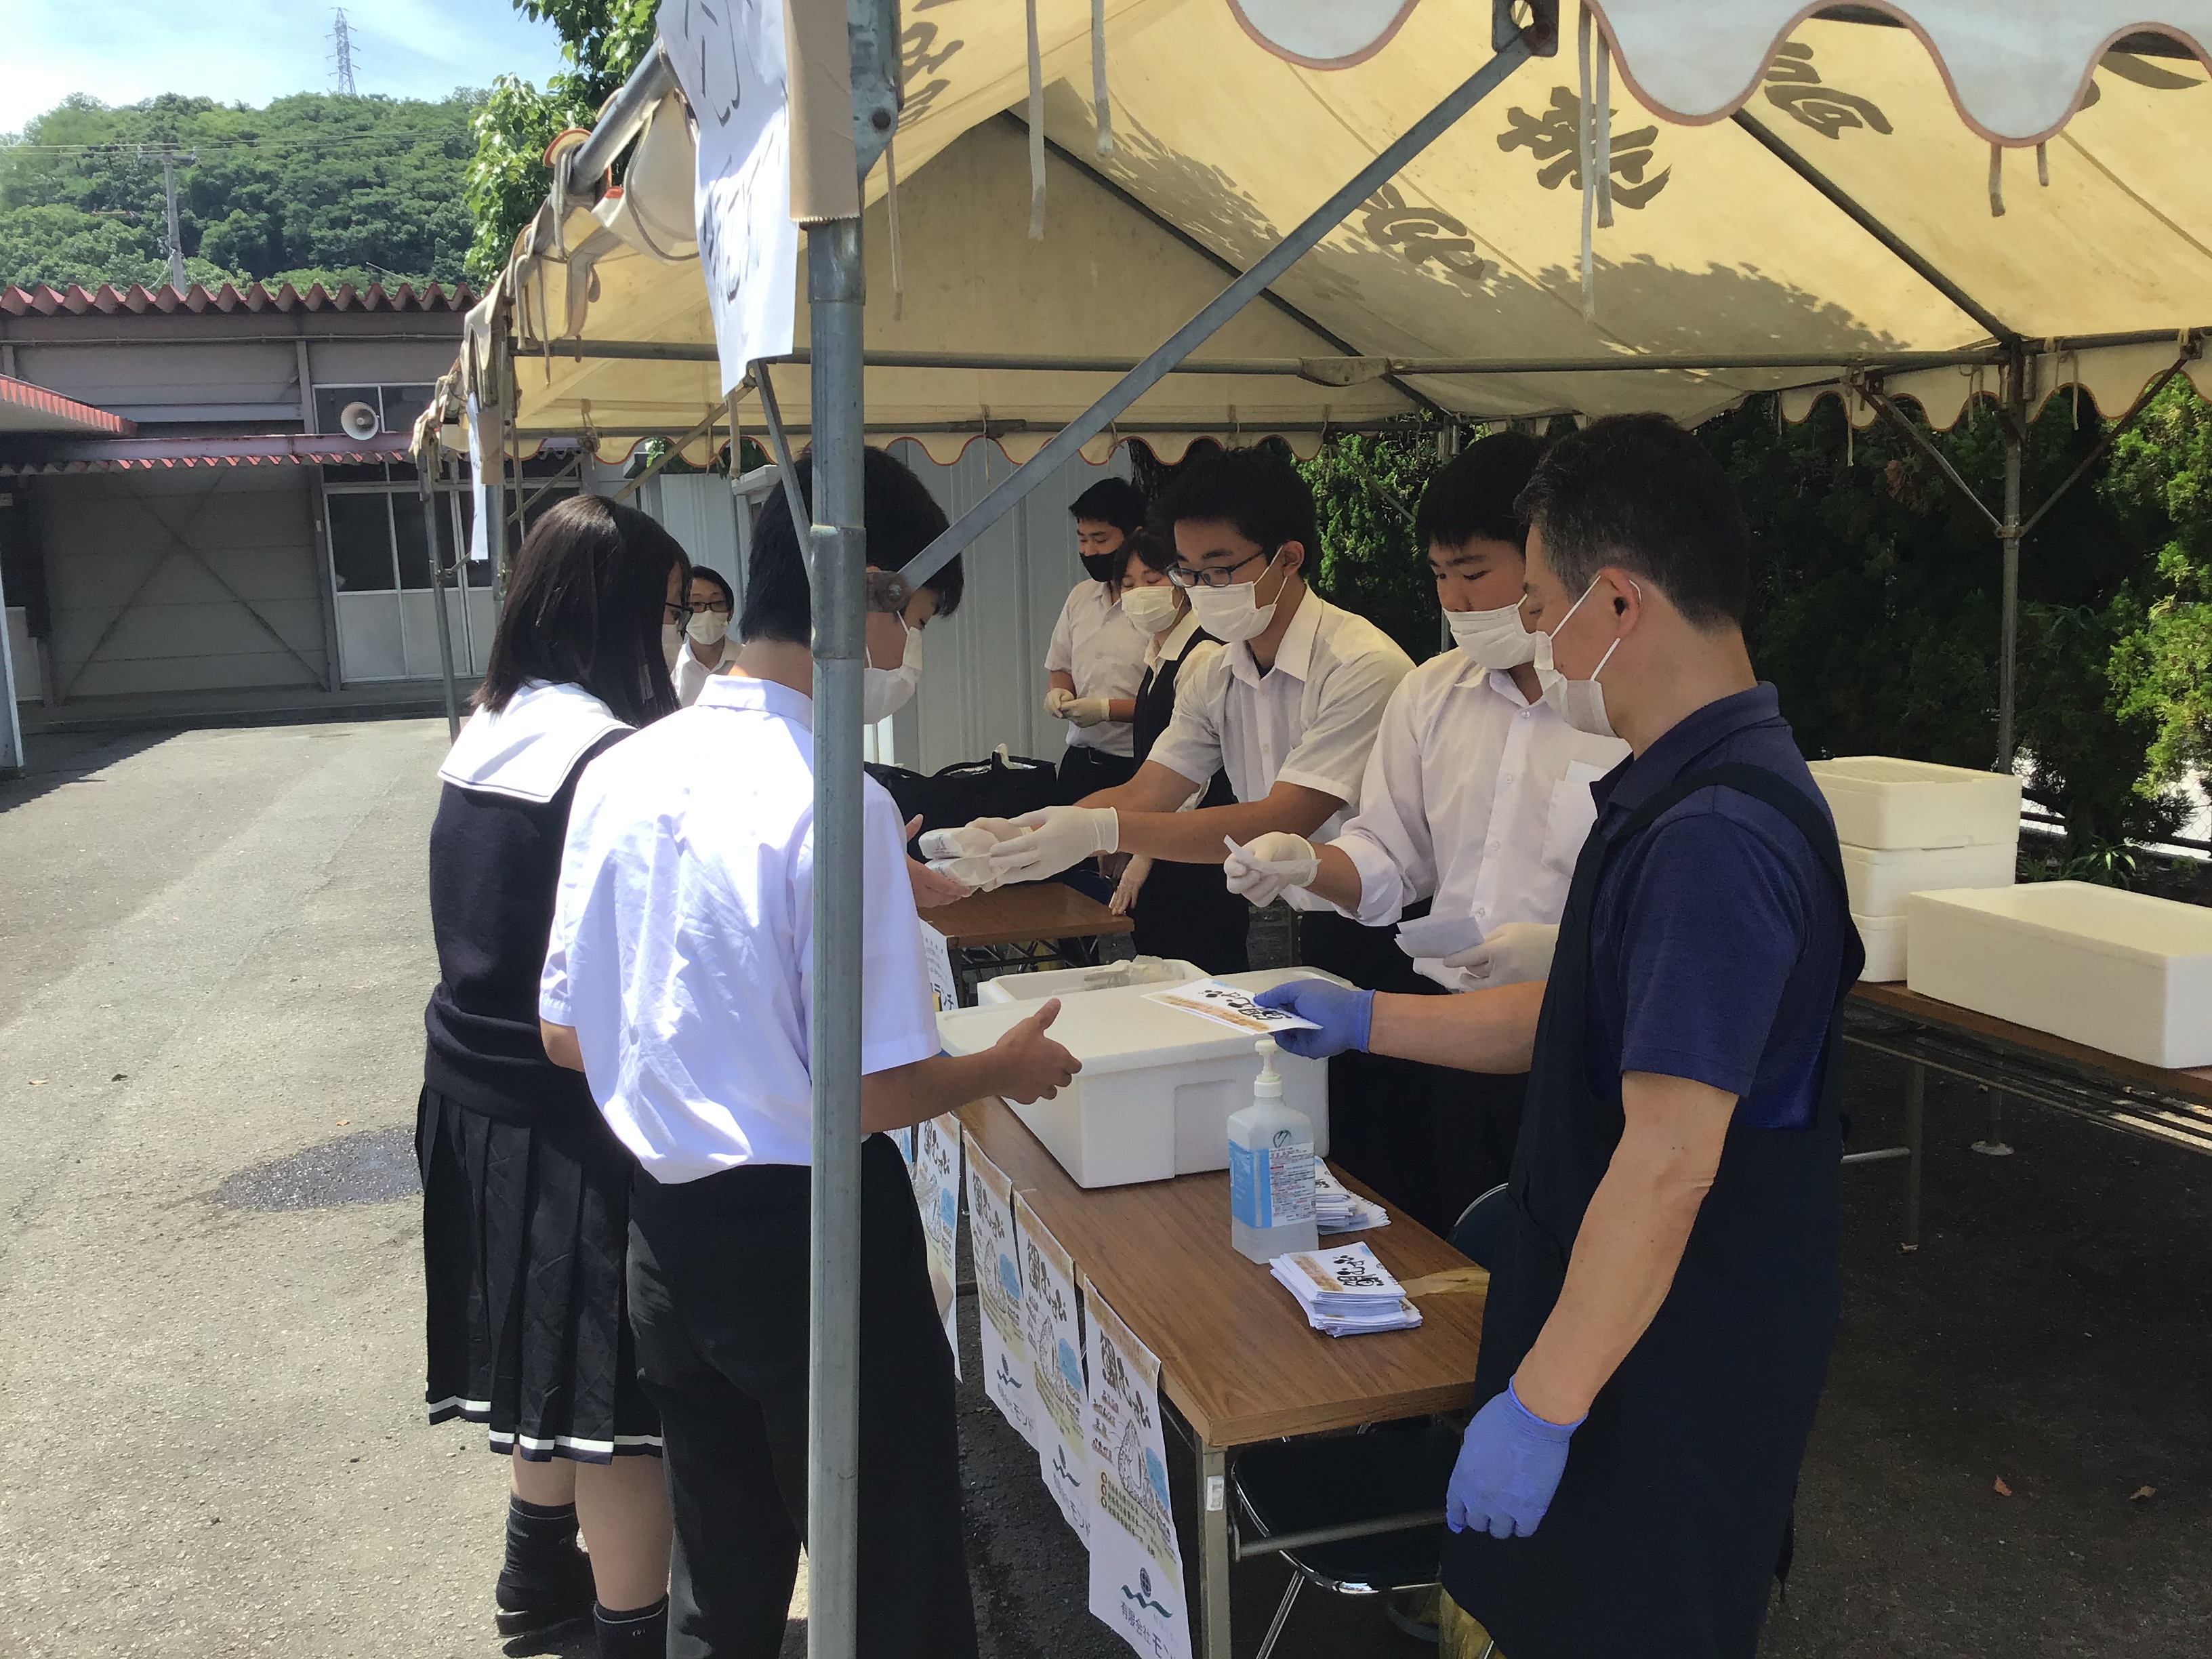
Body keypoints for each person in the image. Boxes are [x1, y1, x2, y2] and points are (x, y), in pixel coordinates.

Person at [1258, 415, 1862, 1659]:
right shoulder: (1672, 784)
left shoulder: (1712, 837)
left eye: (1537, 605)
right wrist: (1370, 1018)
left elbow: (1669, 1159)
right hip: (1612, 1327)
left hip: (1663, 1363)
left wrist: (1543, 1402)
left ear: (1619, 602)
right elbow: (1586, 1021)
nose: (1531, 636)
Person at [539, 445, 1080, 1659]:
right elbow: (867, 1093)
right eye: (914, 619)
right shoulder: (840, 798)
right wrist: (1000, 1068)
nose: (906, 653)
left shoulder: (626, 765)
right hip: (813, 1234)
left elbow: (566, 1031)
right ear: (870, 596)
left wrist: (706, 1045)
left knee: (720, 1572)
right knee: (889, 1572)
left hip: (665, 1230)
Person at [1221, 434, 1626, 1231]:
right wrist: (1305, 862)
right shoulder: (1430, 694)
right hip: (1453, 1031)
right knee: (1461, 1242)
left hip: (1585, 1035)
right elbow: (1390, 858)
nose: (1456, 601)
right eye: (1440, 576)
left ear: (1547, 560)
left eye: (1475, 574)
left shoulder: (1615, 703)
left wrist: (1567, 950)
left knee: (1580, 1245)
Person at [417, 494, 686, 1656]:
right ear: (611, 612)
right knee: (621, 1413)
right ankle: (629, 1631)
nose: (678, 633)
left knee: (547, 1369)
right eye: (667, 610)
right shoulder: (605, 753)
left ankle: (534, 1587)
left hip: (473, 1100)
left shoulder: (493, 722)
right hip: (569, 1118)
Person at [972, 447, 1413, 956]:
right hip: (1318, 915)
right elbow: (1148, 790)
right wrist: (1017, 834)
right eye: (1187, 572)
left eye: (1219, 570)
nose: (1202, 590)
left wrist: (1101, 830)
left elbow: (1280, 818)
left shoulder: (1359, 665)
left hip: (1403, 919)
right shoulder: (1218, 672)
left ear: (1288, 558)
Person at [1101, 527, 1250, 973]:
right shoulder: (1157, 656)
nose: (1139, 594)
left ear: (1182, 582)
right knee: (1158, 970)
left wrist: (1142, 853)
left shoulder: (1202, 655)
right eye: (1128, 585)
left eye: (1151, 580)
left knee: (1202, 974)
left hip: (1196, 857)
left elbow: (1193, 780)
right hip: (1161, 847)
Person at [1043, 476, 1152, 799]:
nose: (1089, 551)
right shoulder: (1080, 596)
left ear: (1134, 536)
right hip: (1082, 762)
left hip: (1141, 764)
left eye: (1100, 539)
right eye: (1082, 539)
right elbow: (1061, 665)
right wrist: (1060, 693)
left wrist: (1107, 709)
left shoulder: (1159, 603)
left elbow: (1171, 700)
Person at [672, 565, 737, 706]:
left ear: (730, 613)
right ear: (681, 613)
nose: (708, 612)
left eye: (717, 603)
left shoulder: (749, 662)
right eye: (696, 603)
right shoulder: (670, 669)